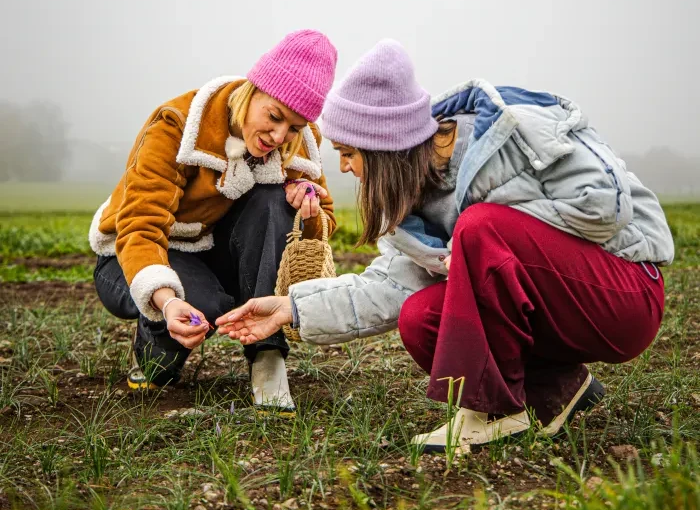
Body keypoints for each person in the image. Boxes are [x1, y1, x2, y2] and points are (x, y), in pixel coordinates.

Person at [217, 40, 673, 451]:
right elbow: (386, 289)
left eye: (349, 153)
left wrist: (485, 248)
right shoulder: (413, 199)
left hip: (625, 291)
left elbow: (605, 205)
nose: (345, 167)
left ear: (384, 149)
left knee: (480, 229)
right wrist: (289, 308)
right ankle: (554, 387)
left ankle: (494, 409)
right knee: (421, 319)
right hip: (563, 299)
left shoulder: (510, 136)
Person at [91, 29, 337, 412]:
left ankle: (268, 356)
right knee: (192, 316)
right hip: (136, 256)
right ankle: (154, 343)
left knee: (274, 201)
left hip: (212, 252)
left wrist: (308, 213)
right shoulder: (176, 124)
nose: (279, 135)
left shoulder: (298, 142)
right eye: (273, 117)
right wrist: (166, 300)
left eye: (294, 126)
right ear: (253, 89)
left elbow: (326, 221)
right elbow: (140, 225)